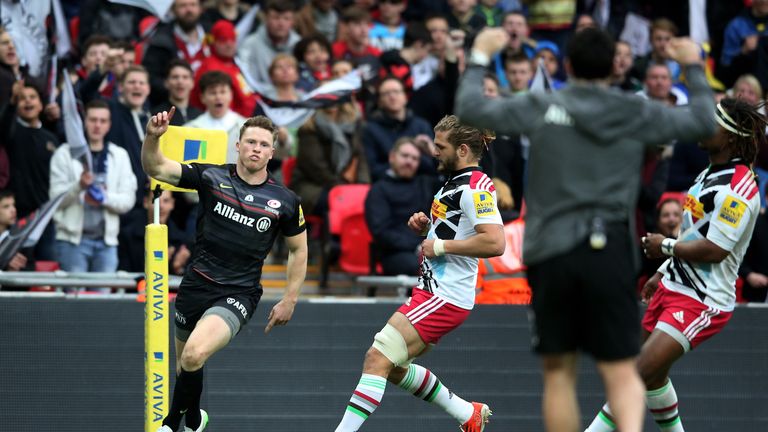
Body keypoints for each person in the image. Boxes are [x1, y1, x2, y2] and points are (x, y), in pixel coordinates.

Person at [455, 27, 716, 432]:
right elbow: (702, 119)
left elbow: (470, 106)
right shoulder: (636, 110)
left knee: (560, 373)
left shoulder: (543, 104)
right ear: (615, 66)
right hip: (609, 250)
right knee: (622, 368)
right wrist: (692, 66)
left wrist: (480, 54)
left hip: (551, 253)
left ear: (569, 65)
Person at [586, 98, 764, 431]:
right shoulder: (709, 172)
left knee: (635, 374)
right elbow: (692, 231)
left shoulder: (739, 188)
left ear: (729, 136)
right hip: (673, 286)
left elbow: (715, 250)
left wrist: (664, 246)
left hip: (702, 300)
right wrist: (662, 272)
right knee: (652, 377)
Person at [333, 115, 505, 432]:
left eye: (440, 146)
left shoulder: (476, 188)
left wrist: (439, 246)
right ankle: (467, 413)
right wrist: (428, 230)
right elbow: (459, 231)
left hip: (445, 296)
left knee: (376, 357)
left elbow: (494, 242)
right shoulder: (455, 181)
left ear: (463, 149)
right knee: (393, 367)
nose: (434, 152)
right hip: (432, 290)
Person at [143, 109, 308, 432]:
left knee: (193, 355)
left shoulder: (285, 201)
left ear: (272, 152)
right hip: (195, 286)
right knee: (186, 366)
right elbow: (156, 166)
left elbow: (299, 249)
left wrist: (290, 298)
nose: (256, 148)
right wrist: (153, 137)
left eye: (263, 144)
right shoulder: (211, 177)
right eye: (250, 142)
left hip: (237, 293)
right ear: (238, 145)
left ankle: (170, 424)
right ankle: (194, 420)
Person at [49, 100, 137, 289]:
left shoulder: (119, 155)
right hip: (72, 241)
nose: (97, 125)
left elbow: (128, 200)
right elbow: (54, 200)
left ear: (109, 125)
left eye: (102, 121)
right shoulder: (64, 154)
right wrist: (79, 186)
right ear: (84, 122)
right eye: (93, 120)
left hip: (107, 243)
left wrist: (104, 198)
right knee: (73, 302)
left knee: (102, 305)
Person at [364, 137, 437, 276]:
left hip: (427, 248)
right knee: (419, 265)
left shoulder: (425, 184)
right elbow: (381, 232)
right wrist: (417, 246)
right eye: (405, 156)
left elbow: (450, 180)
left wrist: (433, 153)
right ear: (392, 157)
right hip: (395, 254)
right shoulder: (378, 190)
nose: (409, 161)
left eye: (415, 158)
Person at [0, 190, 28, 271]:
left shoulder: (20, 238)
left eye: (13, 205)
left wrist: (13, 270)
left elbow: (30, 268)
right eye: (6, 206)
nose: (13, 210)